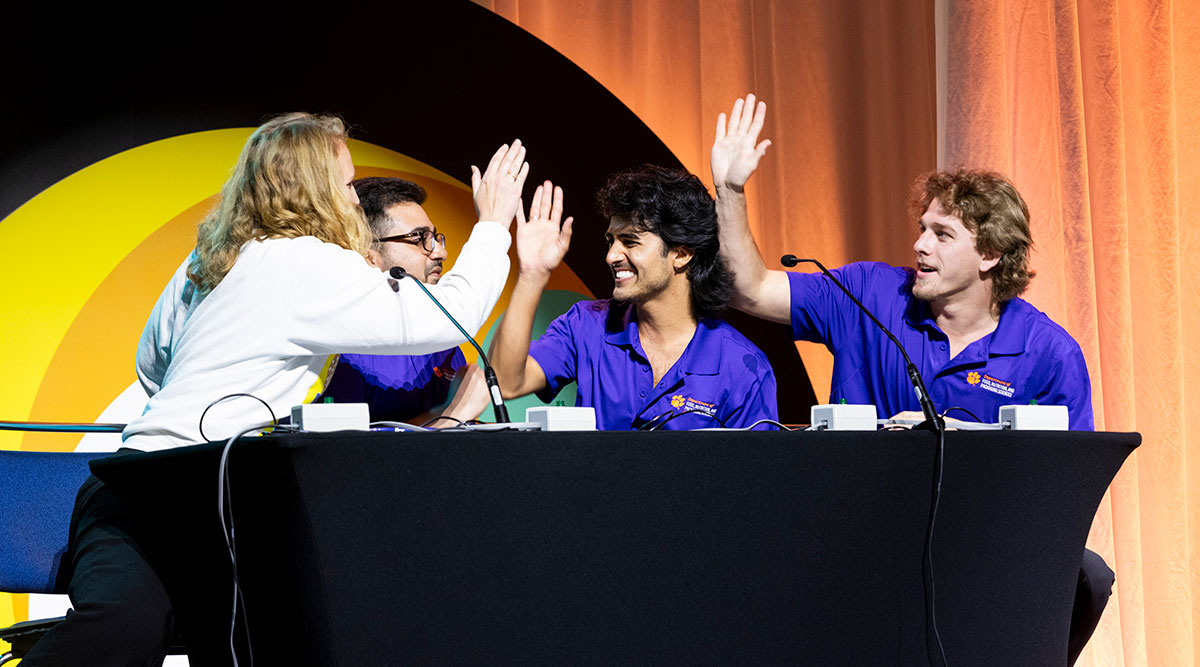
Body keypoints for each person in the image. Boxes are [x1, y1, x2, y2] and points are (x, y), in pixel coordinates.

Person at [24, 112, 527, 666]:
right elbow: (443, 317)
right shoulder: (305, 262)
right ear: (315, 191)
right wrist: (494, 226)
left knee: (198, 638)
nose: (352, 199)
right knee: (126, 633)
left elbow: (153, 362)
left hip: (135, 482)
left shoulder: (211, 258)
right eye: (343, 183)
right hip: (183, 493)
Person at [711, 94, 1107, 663]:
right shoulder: (868, 293)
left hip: (982, 545)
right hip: (856, 530)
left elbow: (1065, 485)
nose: (919, 244)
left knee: (1088, 575)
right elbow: (748, 288)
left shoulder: (1049, 353)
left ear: (991, 254)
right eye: (922, 228)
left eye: (942, 234)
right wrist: (730, 191)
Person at [489, 166, 778, 431]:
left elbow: (751, 480)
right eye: (611, 241)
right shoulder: (584, 324)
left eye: (630, 241)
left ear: (681, 253)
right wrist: (532, 274)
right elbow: (505, 382)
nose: (611, 256)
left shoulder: (743, 367)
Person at [317, 176, 490, 426]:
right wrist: (451, 415)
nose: (441, 252)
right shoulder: (341, 345)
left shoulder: (445, 340)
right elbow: (341, 453)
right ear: (369, 256)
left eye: (435, 237)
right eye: (419, 238)